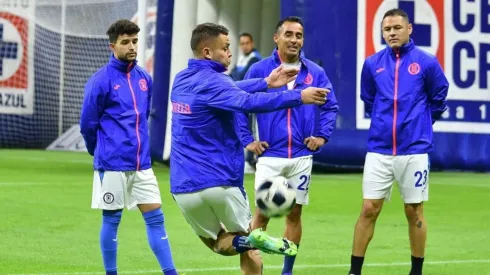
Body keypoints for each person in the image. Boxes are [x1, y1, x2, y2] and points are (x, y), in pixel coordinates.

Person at [169, 22, 330, 275]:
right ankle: (251, 240)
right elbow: (246, 101)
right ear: (208, 53)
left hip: (183, 186)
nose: (230, 53)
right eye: (225, 47)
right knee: (248, 240)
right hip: (221, 181)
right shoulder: (217, 81)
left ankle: (248, 240)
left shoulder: (181, 80)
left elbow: (229, 90)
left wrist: (265, 81)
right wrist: (299, 96)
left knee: (217, 244)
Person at [235, 16, 339, 275]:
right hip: (271, 156)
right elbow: (239, 105)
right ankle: (252, 270)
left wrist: (322, 136)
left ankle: (287, 271)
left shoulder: (315, 72)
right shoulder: (259, 71)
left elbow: (330, 106)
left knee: (294, 216)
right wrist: (248, 140)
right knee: (261, 216)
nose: (294, 40)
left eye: (299, 35)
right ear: (276, 38)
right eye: (289, 34)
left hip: (302, 156)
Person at [348, 8, 449, 275]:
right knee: (369, 208)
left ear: (409, 29)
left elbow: (439, 98)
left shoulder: (426, 62)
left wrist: (419, 124)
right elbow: (369, 100)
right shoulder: (372, 64)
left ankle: (416, 271)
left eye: (396, 28)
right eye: (386, 29)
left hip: (415, 150)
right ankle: (354, 271)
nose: (391, 33)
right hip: (379, 149)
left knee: (414, 211)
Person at [80, 19, 178, 275]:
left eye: (135, 41)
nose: (132, 46)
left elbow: (142, 116)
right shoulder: (100, 80)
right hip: (112, 165)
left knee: (156, 219)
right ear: (113, 46)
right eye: (126, 42)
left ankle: (171, 273)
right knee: (111, 221)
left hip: (142, 165)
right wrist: (99, 150)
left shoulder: (144, 78)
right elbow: (88, 124)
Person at [229, 32, 263, 171]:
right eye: (242, 44)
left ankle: (251, 160)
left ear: (252, 43)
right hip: (240, 100)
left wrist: (234, 83)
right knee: (241, 127)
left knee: (251, 129)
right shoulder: (241, 60)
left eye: (247, 43)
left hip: (251, 101)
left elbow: (243, 79)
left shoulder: (255, 60)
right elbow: (232, 76)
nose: (244, 46)